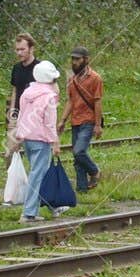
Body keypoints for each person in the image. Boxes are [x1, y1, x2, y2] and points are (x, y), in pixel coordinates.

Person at [16, 60, 62, 221]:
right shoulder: (49, 97)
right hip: (41, 139)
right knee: (37, 175)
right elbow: (49, 123)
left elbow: (21, 114)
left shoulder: (27, 93)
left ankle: (53, 205)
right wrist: (55, 142)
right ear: (51, 80)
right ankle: (29, 212)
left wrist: (19, 135)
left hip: (28, 138)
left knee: (38, 173)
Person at [59, 47, 103, 192]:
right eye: (73, 59)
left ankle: (95, 171)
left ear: (86, 59)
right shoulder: (72, 79)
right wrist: (63, 120)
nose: (74, 62)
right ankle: (82, 189)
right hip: (75, 120)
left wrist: (97, 125)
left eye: (77, 59)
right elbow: (70, 101)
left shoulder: (95, 78)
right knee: (77, 159)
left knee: (79, 151)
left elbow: (97, 102)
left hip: (88, 121)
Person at [7, 33, 39, 126]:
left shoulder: (40, 68)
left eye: (22, 49)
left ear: (31, 49)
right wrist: (12, 114)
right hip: (18, 114)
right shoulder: (16, 68)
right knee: (12, 139)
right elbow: (15, 91)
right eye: (17, 50)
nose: (19, 53)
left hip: (34, 116)